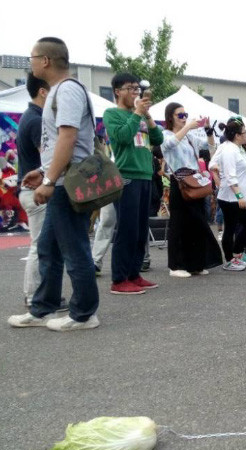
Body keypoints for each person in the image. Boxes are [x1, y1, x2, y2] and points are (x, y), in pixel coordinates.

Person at [8, 37, 100, 331]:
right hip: (59, 180)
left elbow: (68, 138)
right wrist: (42, 170)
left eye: (32, 58)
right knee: (48, 247)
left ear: (45, 60)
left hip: (67, 185)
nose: (30, 63)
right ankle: (42, 308)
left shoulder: (68, 90)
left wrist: (49, 179)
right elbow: (56, 143)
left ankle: (84, 314)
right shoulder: (60, 92)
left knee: (74, 250)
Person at [103, 73, 163, 294]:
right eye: (131, 88)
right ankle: (119, 279)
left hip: (146, 174)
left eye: (138, 89)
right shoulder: (112, 114)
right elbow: (122, 137)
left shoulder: (139, 116)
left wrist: (147, 116)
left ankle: (134, 274)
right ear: (118, 91)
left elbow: (158, 140)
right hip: (126, 175)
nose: (136, 93)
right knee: (126, 229)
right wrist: (137, 113)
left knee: (139, 230)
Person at [161, 103, 223, 277]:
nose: (184, 118)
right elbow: (168, 145)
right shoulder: (165, 134)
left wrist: (209, 131)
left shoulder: (189, 137)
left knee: (197, 222)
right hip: (178, 181)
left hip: (194, 181)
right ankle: (176, 265)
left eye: (185, 114)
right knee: (179, 223)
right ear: (170, 117)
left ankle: (195, 263)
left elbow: (209, 147)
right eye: (180, 115)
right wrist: (187, 126)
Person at [15, 72, 60, 308]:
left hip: (33, 190)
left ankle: (43, 295)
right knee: (40, 246)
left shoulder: (31, 117)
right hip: (36, 191)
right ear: (43, 92)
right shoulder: (36, 121)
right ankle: (34, 297)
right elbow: (49, 157)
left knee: (44, 245)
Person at [209, 118, 246, 271]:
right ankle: (229, 260)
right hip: (231, 197)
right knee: (231, 227)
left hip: (241, 195)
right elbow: (230, 175)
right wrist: (239, 196)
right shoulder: (228, 149)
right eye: (244, 134)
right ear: (236, 135)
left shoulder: (238, 149)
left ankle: (236, 254)